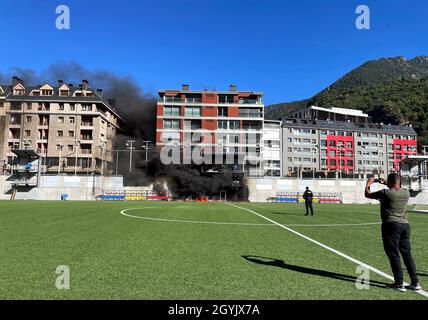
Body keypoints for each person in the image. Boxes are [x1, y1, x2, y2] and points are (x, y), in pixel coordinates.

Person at [365, 173, 422, 292]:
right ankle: (415, 282)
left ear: (389, 182)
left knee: (393, 254)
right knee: (407, 254)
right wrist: (387, 182)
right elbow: (394, 187)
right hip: (405, 225)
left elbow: (367, 194)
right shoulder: (406, 192)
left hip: (391, 225)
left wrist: (368, 184)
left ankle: (399, 283)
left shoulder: (385, 193)